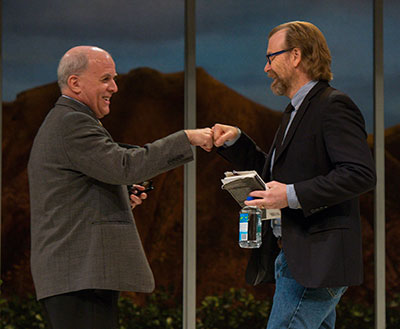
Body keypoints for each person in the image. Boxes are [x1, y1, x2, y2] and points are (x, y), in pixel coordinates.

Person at [27, 45, 213, 329]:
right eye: (105, 79)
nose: (114, 87)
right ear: (75, 83)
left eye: (113, 79)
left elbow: (81, 185)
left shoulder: (68, 120)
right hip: (79, 277)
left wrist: (119, 195)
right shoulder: (71, 121)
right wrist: (187, 138)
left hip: (78, 276)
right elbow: (124, 166)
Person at [212, 21, 376, 329]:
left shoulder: (333, 105)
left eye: (271, 57)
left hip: (316, 260)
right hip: (300, 258)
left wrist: (289, 195)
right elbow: (272, 174)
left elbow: (360, 173)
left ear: (296, 55)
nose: (266, 68)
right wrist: (236, 141)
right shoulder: (295, 111)